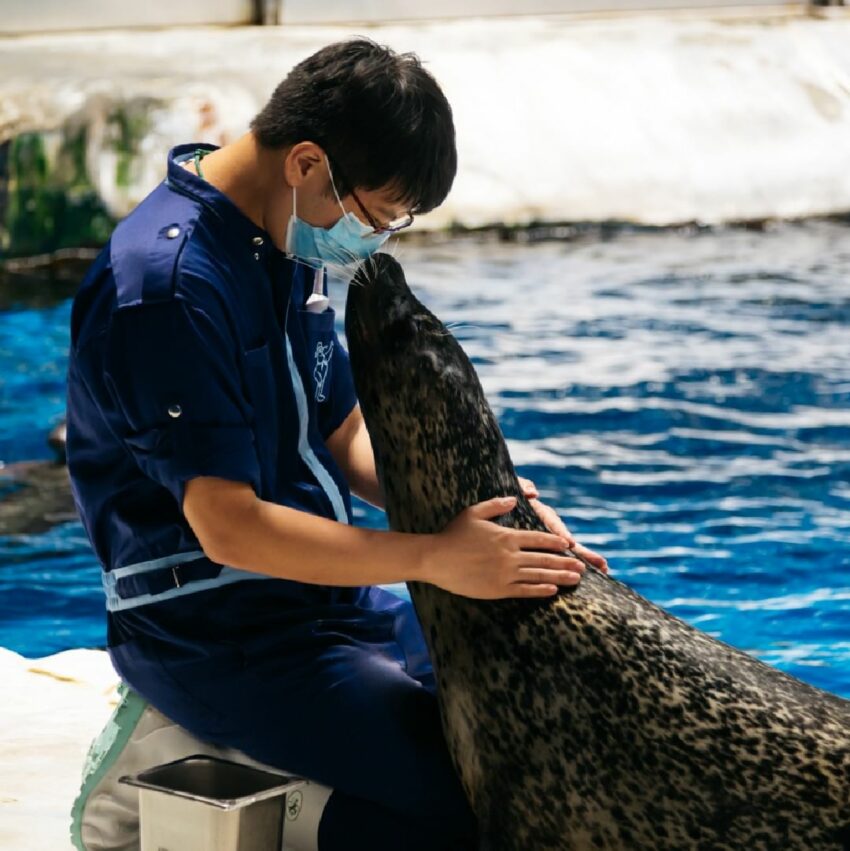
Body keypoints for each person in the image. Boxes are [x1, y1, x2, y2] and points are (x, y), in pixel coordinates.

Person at [65, 38, 608, 850]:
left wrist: (486, 512)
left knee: (538, 727)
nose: (373, 241)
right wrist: (432, 557)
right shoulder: (168, 290)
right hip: (214, 630)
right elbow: (230, 528)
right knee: (467, 811)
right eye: (375, 217)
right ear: (308, 162)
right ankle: (248, 799)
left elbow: (340, 426)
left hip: (325, 599)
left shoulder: (284, 232)